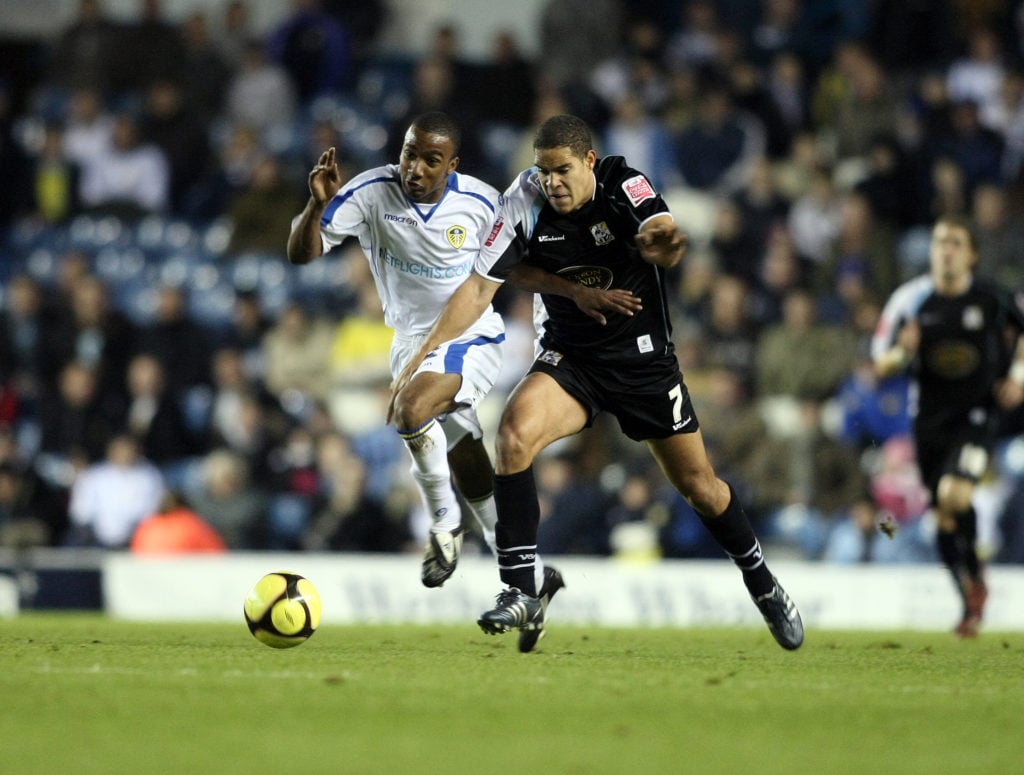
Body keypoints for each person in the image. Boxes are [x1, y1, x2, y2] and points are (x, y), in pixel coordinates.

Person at [391, 114, 804, 652]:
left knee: (701, 489)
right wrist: (420, 358)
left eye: (562, 170)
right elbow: (481, 284)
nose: (552, 182)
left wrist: (664, 246)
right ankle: (520, 590)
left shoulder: (624, 184)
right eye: (543, 171)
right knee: (513, 436)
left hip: (643, 365)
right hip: (573, 360)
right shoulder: (523, 197)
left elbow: (663, 235)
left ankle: (762, 582)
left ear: (587, 161)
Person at [286, 112, 508, 589]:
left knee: (411, 408)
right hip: (407, 342)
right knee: (465, 450)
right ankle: (513, 559)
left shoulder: (483, 203)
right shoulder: (370, 192)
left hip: (470, 335)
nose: (417, 169)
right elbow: (301, 253)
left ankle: (445, 527)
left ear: (452, 165)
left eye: (432, 160)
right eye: (411, 154)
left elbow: (516, 265)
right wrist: (315, 205)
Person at [872, 214, 1024, 637]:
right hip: (930, 423)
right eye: (940, 242)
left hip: (977, 416)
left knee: (953, 494)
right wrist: (904, 353)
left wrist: (1017, 376)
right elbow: (881, 363)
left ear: (972, 254)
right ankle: (970, 595)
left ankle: (974, 585)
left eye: (956, 242)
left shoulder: (991, 299)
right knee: (943, 516)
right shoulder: (912, 302)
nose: (946, 249)